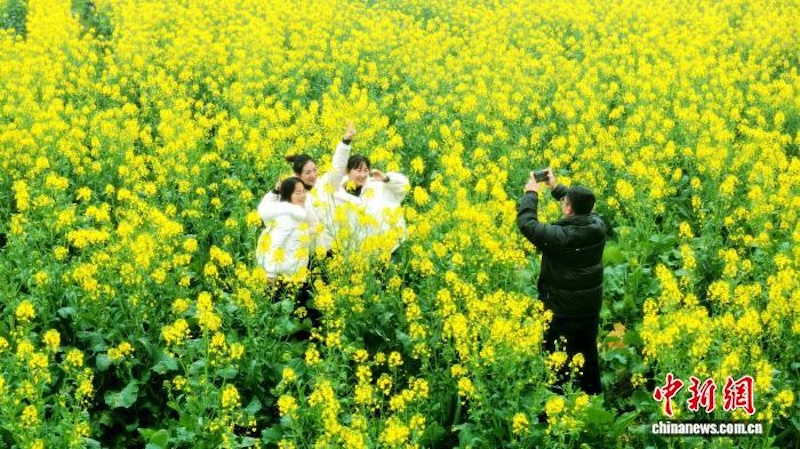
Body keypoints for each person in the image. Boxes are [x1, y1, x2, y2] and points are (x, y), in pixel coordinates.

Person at [516, 168, 606, 395]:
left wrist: (531, 193)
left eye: (565, 202)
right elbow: (582, 207)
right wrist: (556, 188)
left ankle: (558, 399)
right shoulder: (598, 226)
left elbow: (527, 223)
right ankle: (592, 396)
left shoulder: (560, 236)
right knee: (587, 351)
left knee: (557, 354)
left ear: (568, 209)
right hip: (589, 307)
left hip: (561, 308)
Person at [258, 124, 357, 255]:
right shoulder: (291, 194)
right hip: (308, 253)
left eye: (315, 170)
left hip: (331, 247)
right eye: (308, 172)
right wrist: (275, 192)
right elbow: (267, 210)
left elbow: (337, 168)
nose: (313, 175)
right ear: (298, 175)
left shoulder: (324, 184)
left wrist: (345, 142)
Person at [332, 154, 410, 259]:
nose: (363, 175)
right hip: (365, 257)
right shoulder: (338, 197)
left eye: (366, 170)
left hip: (393, 248)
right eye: (359, 170)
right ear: (348, 171)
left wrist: (386, 179)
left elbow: (404, 187)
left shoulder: (377, 185)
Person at [256, 177, 310, 283]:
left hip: (294, 277)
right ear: (288, 195)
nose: (302, 196)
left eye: (304, 191)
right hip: (285, 279)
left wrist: (275, 191)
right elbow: (275, 245)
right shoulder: (288, 217)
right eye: (297, 193)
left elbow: (265, 205)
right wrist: (271, 274)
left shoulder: (294, 214)